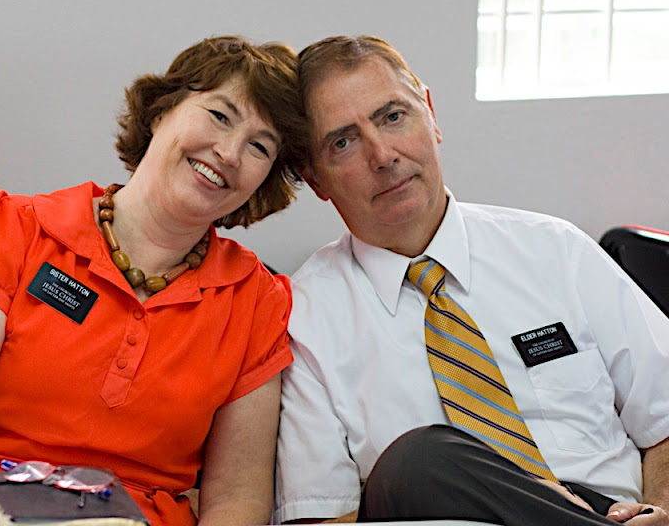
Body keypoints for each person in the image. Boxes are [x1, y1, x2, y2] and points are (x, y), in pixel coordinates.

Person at [0, 35, 307, 526]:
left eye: (259, 146)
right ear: (161, 112)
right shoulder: (6, 231)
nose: (230, 152)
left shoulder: (255, 301)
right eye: (220, 115)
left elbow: (237, 499)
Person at [274, 35, 669, 525]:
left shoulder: (556, 250)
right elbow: (321, 519)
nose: (382, 154)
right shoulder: (304, 319)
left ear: (431, 114)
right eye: (343, 142)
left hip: (617, 513)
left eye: (393, 116)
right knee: (417, 463)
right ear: (315, 178)